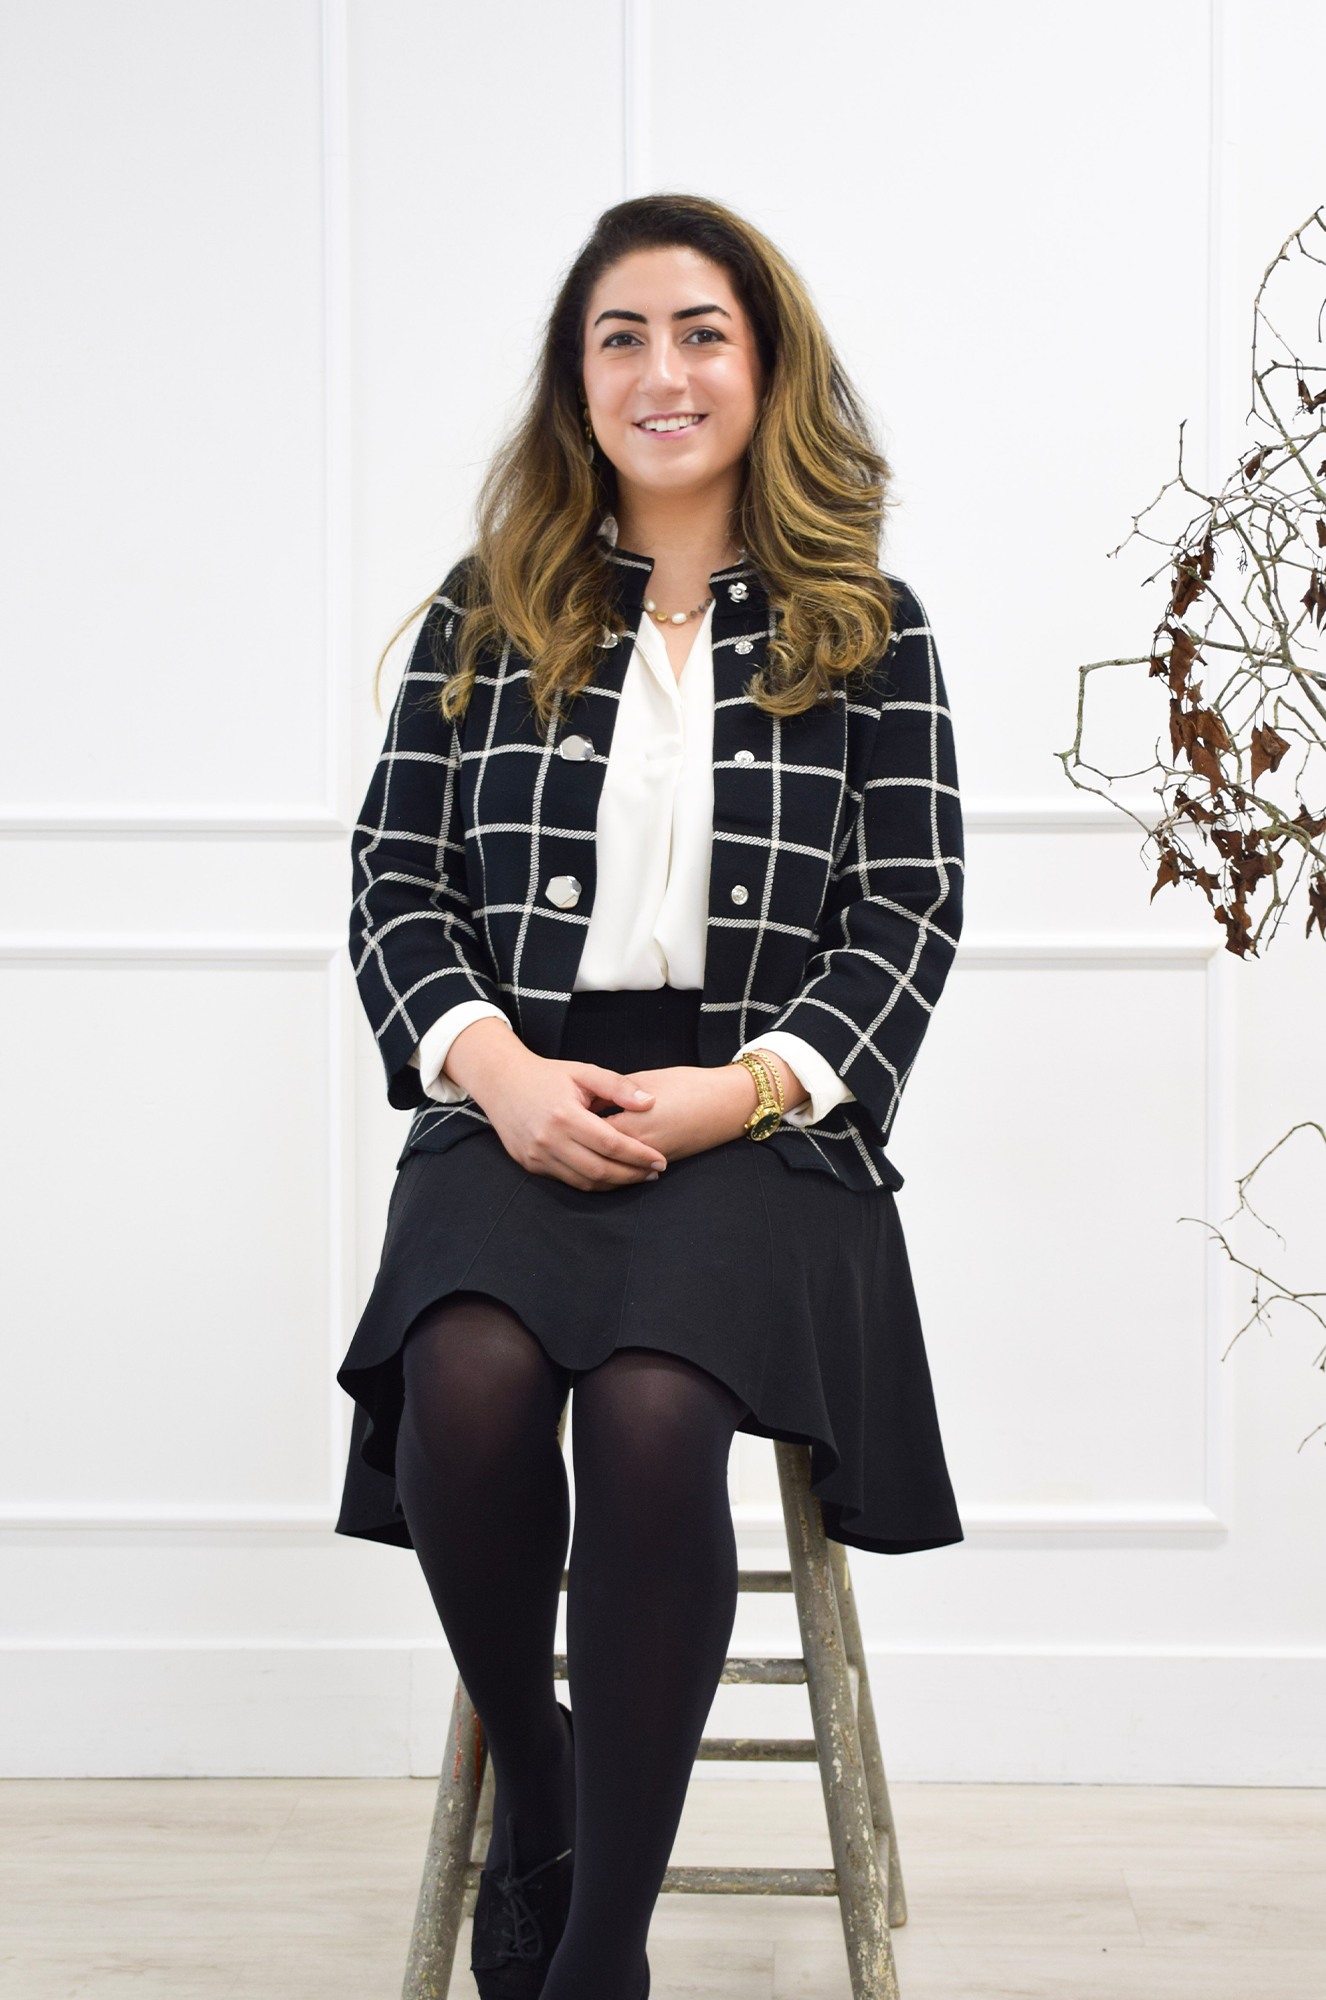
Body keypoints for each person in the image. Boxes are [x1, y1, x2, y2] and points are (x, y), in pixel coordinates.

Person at [337, 193, 963, 2000]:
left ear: (765, 369)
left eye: (701, 333)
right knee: (464, 1377)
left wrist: (737, 1096)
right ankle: (544, 1788)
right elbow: (396, 885)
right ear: (577, 378)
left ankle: (597, 1948)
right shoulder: (486, 612)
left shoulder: (869, 627)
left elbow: (909, 912)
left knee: (652, 1412)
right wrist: (500, 1073)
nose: (661, 371)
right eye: (621, 336)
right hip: (517, 1081)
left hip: (765, 1123)